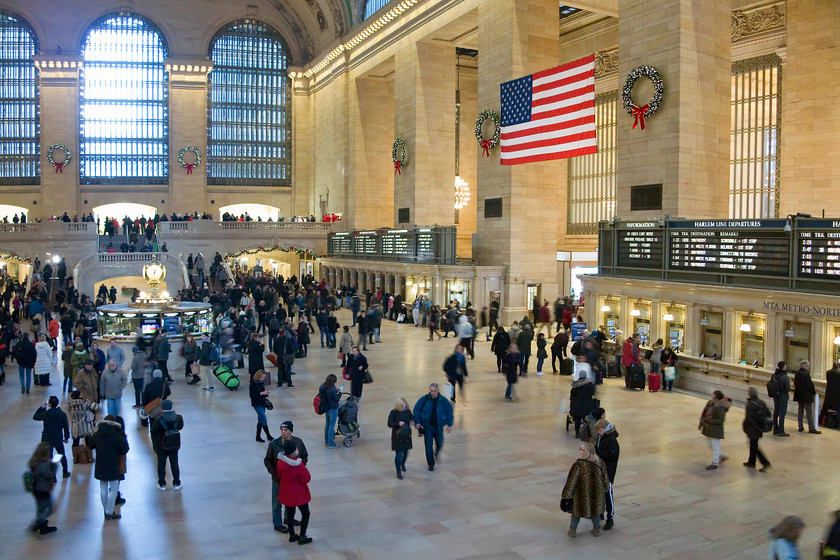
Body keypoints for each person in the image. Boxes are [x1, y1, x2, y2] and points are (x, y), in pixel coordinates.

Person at [264, 420, 308, 533]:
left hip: (292, 480)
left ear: (291, 431)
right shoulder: (274, 444)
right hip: (278, 480)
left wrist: (301, 466)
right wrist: (273, 472)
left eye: (286, 430)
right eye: (282, 430)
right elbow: (267, 460)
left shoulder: (298, 442)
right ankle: (277, 524)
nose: (283, 432)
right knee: (276, 502)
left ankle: (288, 519)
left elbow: (304, 456)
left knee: (290, 501)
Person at [561, 442, 609, 537]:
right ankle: (597, 529)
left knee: (576, 513)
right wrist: (606, 488)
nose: (580, 450)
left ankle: (572, 530)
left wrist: (566, 496)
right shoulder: (600, 462)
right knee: (595, 512)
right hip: (596, 493)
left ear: (587, 452)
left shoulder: (579, 465)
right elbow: (605, 478)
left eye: (582, 449)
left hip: (581, 494)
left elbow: (571, 481)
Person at [86, 414, 129, 520]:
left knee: (103, 488)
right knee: (113, 489)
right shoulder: (117, 436)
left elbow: (89, 445)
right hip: (114, 465)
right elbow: (125, 449)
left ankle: (105, 509)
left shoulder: (97, 435)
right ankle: (109, 511)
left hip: (101, 464)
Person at [276, 440, 313, 545]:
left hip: (287, 493)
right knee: (305, 514)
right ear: (293, 452)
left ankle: (292, 535)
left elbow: (279, 475)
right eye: (296, 449)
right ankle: (302, 536)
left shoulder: (281, 462)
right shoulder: (298, 465)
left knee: (290, 514)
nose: (298, 450)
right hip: (299, 494)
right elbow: (306, 478)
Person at [412, 383, 454, 471]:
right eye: (431, 391)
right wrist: (417, 422)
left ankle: (437, 453)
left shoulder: (443, 401)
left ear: (438, 391)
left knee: (440, 443)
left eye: (435, 391)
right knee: (428, 446)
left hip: (438, 427)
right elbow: (417, 410)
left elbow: (449, 411)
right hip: (428, 428)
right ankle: (431, 464)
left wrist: (449, 424)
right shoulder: (424, 399)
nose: (433, 393)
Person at [32, 396, 70, 478]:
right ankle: (65, 471)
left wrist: (42, 407)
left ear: (49, 404)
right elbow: (66, 427)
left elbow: (35, 417)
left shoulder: (46, 413)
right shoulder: (62, 414)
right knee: (61, 454)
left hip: (47, 438)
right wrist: (66, 437)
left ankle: (52, 476)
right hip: (58, 438)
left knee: (48, 457)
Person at [151, 400, 183, 491]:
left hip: (161, 445)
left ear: (162, 407)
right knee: (174, 464)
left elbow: (153, 432)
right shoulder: (178, 417)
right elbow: (180, 427)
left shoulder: (158, 419)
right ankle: (176, 483)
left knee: (161, 465)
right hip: (174, 444)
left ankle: (162, 484)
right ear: (171, 407)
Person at [27, 442, 58, 534]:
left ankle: (43, 526)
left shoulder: (34, 462)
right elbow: (50, 475)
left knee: (40, 508)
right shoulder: (43, 465)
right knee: (50, 509)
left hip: (35, 489)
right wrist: (54, 466)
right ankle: (39, 523)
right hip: (43, 489)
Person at [594, 419, 619, 531]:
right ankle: (600, 512)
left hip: (608, 471)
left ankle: (610, 518)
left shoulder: (612, 440)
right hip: (600, 469)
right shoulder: (602, 436)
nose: (599, 432)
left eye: (600, 430)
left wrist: (599, 452)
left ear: (605, 429)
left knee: (608, 494)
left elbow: (613, 456)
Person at [699, 390, 732, 470]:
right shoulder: (711, 403)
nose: (712, 395)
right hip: (708, 428)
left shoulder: (720, 406)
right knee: (710, 445)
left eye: (713, 394)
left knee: (715, 446)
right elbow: (705, 413)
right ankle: (722, 456)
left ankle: (715, 463)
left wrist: (710, 421)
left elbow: (721, 419)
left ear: (715, 396)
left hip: (715, 429)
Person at [742, 386, 772, 472]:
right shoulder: (761, 402)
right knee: (753, 444)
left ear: (749, 394)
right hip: (760, 427)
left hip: (753, 428)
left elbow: (749, 418)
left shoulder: (750, 404)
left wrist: (745, 427)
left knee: (754, 446)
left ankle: (765, 463)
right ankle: (751, 462)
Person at [387, 397, 414, 480]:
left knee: (406, 452)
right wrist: (398, 423)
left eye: (405, 406)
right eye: (403, 407)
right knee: (399, 454)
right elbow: (389, 424)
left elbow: (412, 418)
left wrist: (412, 421)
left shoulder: (407, 411)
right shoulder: (393, 413)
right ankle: (398, 471)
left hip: (406, 435)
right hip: (397, 437)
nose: (404, 408)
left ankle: (403, 464)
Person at [793, 360, 820, 434]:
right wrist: (813, 392)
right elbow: (810, 385)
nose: (809, 367)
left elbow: (795, 384)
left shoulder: (797, 373)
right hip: (806, 396)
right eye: (808, 365)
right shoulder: (806, 374)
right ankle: (811, 427)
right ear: (803, 366)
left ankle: (800, 426)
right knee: (809, 412)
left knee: (800, 410)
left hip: (799, 395)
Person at [570, 369, 597, 437]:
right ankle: (585, 433)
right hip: (587, 404)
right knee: (586, 420)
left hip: (577, 404)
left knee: (577, 420)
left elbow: (572, 394)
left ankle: (577, 433)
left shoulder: (576, 385)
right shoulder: (590, 385)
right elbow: (592, 393)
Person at [768, 362, 792, 437]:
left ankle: (775, 429)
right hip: (783, 396)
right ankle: (781, 430)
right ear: (784, 367)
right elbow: (788, 388)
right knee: (782, 413)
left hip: (775, 396)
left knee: (776, 412)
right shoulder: (785, 377)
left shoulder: (774, 375)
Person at [250, 370, 274, 442]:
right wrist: (261, 393)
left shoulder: (261, 384)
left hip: (262, 403)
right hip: (257, 404)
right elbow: (252, 395)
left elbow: (262, 393)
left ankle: (258, 436)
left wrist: (265, 393)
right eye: (262, 377)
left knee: (260, 420)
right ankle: (268, 435)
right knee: (264, 419)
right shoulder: (253, 384)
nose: (263, 378)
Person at [319, 374, 341, 448]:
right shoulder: (332, 389)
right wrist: (340, 392)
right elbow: (336, 398)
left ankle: (326, 441)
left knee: (327, 425)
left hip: (326, 408)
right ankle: (331, 443)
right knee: (332, 427)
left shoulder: (323, 387)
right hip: (333, 409)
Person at [822, 362, 840, 426]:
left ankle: (823, 420)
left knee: (827, 407)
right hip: (837, 394)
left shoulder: (828, 372)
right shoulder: (838, 373)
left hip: (828, 392)